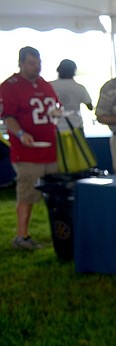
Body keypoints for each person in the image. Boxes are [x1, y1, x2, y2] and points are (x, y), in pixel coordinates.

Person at [1, 46, 59, 250]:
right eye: (32, 63)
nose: (37, 67)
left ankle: (59, 230)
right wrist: (20, 134)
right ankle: (21, 236)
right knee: (27, 193)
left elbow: (55, 107)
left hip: (50, 150)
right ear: (21, 63)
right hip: (27, 152)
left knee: (54, 193)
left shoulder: (44, 83)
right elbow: (8, 117)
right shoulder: (10, 86)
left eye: (39, 63)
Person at [50, 59, 93, 132]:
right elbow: (90, 107)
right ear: (74, 71)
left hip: (55, 127)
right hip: (76, 127)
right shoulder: (80, 88)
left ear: (59, 70)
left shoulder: (50, 86)